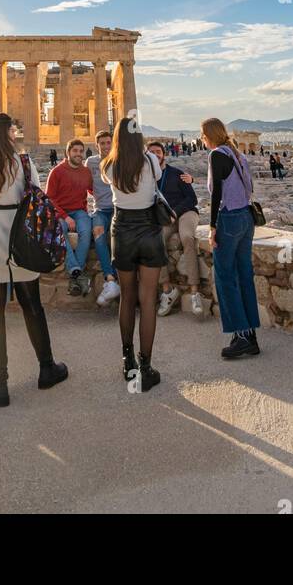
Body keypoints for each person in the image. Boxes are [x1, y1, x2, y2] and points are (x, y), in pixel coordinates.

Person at [0, 111, 67, 408]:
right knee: (32, 305)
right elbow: (37, 199)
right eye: (13, 131)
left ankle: (0, 382)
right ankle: (47, 369)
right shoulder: (24, 163)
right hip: (21, 241)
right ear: (6, 134)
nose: (16, 135)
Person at [102, 117, 166, 389]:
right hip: (149, 230)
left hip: (123, 231)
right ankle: (146, 367)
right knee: (148, 299)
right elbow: (158, 181)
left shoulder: (109, 165)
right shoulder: (151, 161)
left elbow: (111, 186)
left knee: (127, 297)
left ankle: (128, 362)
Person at [203, 117, 260, 360]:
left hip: (229, 219)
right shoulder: (238, 154)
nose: (202, 139)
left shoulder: (217, 155)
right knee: (244, 275)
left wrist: (212, 225)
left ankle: (242, 335)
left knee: (225, 277)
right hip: (247, 217)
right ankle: (250, 334)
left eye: (203, 135)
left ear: (209, 135)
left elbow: (217, 192)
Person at [146, 139, 202, 317]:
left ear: (164, 155)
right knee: (156, 241)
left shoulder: (177, 174)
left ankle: (194, 292)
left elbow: (191, 199)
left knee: (187, 238)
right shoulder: (146, 178)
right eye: (151, 152)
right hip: (165, 217)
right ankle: (167, 291)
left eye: (158, 151)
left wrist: (175, 212)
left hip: (185, 213)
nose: (155, 155)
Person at [45, 138, 98, 297]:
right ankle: (76, 271)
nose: (79, 154)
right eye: (75, 151)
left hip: (79, 211)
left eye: (81, 151)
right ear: (68, 153)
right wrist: (65, 217)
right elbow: (49, 199)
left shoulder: (86, 171)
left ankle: (75, 271)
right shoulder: (57, 171)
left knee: (86, 230)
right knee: (60, 230)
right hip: (60, 212)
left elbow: (93, 190)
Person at [85, 131, 121, 307]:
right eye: (102, 143)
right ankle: (110, 280)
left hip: (118, 208)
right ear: (96, 145)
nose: (106, 146)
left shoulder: (120, 160)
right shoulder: (90, 162)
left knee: (119, 239)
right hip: (100, 209)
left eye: (109, 143)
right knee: (98, 234)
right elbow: (86, 185)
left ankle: (123, 280)